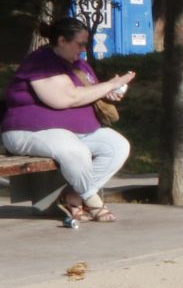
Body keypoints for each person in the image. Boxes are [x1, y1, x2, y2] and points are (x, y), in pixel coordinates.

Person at [2, 17, 134, 223]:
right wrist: (109, 85)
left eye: (85, 44)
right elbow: (65, 99)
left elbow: (87, 93)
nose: (83, 49)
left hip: (77, 132)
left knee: (117, 146)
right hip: (29, 132)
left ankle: (74, 196)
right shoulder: (40, 62)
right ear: (62, 40)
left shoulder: (80, 66)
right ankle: (91, 199)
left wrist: (108, 92)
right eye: (79, 44)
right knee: (75, 150)